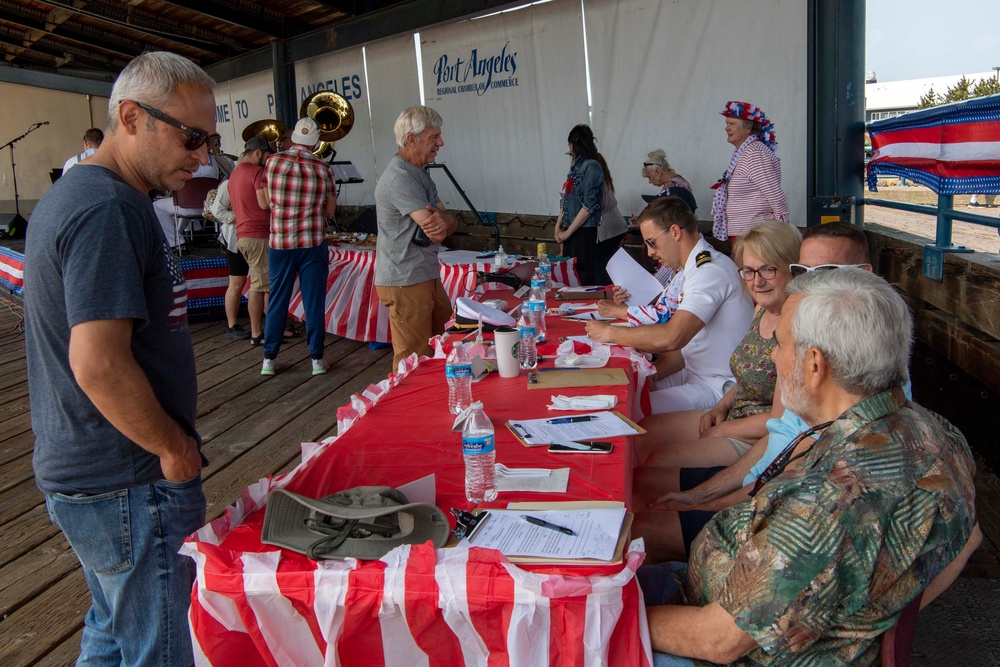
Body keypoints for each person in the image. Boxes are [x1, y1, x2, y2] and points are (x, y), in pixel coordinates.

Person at [640, 268, 976, 666]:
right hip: (730, 591)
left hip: (722, 642)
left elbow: (716, 641)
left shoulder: (830, 501)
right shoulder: (936, 431)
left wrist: (616, 617)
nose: (774, 357)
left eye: (780, 344)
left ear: (815, 365)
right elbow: (967, 539)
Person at [24, 51, 214, 667]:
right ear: (131, 117)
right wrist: (173, 450)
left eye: (207, 139)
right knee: (158, 649)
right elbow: (98, 364)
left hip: (95, 475)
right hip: (128, 479)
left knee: (113, 633)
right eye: (191, 136)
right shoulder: (107, 208)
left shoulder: (88, 195)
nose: (202, 156)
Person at [633, 221, 872, 562]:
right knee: (642, 453)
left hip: (782, 518)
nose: (757, 280)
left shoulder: (841, 357)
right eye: (805, 272)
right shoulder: (790, 321)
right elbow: (783, 437)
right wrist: (704, 492)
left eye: (828, 271)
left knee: (645, 517)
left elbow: (784, 463)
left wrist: (709, 498)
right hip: (759, 459)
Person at [586, 197, 753, 414]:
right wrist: (652, 377)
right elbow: (685, 348)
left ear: (675, 232)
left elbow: (672, 337)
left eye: (651, 242)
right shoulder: (690, 269)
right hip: (693, 371)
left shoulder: (709, 271)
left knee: (632, 410)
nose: (649, 252)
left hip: (718, 385)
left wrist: (610, 332)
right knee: (625, 392)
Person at [374, 105, 458, 370]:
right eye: (434, 137)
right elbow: (439, 230)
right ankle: (408, 410)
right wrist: (446, 221)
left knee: (443, 345)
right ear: (412, 139)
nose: (440, 143)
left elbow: (448, 223)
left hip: (423, 274)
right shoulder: (399, 177)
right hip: (405, 279)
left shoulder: (419, 173)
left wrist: (447, 220)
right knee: (413, 359)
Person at [261, 117, 335, 376]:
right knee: (314, 302)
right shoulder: (324, 169)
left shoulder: (272, 162)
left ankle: (269, 359)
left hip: (280, 242)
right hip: (313, 242)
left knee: (278, 299)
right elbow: (329, 213)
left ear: (293, 139)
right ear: (314, 143)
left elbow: (266, 202)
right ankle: (316, 360)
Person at [710, 100, 789, 242]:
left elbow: (775, 196)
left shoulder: (755, 153)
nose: (726, 128)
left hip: (757, 236)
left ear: (748, 128)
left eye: (732, 124)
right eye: (727, 124)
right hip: (747, 235)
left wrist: (781, 233)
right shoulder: (744, 152)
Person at [229, 135, 273, 344]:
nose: (267, 160)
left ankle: (270, 330)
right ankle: (257, 333)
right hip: (257, 235)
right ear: (257, 153)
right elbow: (264, 203)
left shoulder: (235, 174)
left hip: (243, 235)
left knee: (262, 284)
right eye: (266, 155)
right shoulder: (257, 171)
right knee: (260, 286)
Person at [554, 124, 605, 286]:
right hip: (571, 228)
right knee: (570, 273)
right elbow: (567, 199)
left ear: (574, 143)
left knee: (582, 273)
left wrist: (568, 232)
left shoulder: (592, 166)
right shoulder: (576, 167)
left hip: (583, 230)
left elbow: (589, 205)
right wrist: (558, 227)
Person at [208, 177, 252, 340]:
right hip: (235, 238)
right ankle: (232, 325)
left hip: (257, 236)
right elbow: (217, 211)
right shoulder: (229, 183)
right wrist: (244, 217)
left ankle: (269, 322)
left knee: (261, 282)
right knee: (237, 282)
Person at [153, 154, 220, 248]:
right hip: (211, 208)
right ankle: (197, 231)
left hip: (186, 207)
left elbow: (173, 186)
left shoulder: (180, 162)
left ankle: (176, 243)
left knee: (157, 206)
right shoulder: (213, 162)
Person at [642, 148, 697, 214]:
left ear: (658, 172)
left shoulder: (676, 187)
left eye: (649, 177)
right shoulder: (671, 183)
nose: (649, 181)